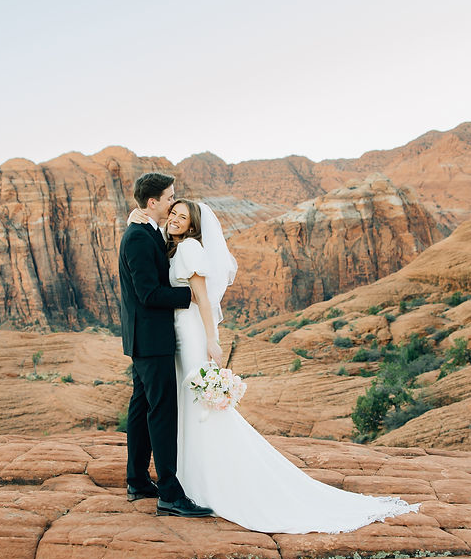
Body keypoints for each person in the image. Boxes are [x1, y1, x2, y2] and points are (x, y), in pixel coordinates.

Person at [127, 199, 420, 533]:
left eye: (183, 216)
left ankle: (206, 480)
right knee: (184, 402)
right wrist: (136, 217)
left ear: (193, 226)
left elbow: (204, 300)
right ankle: (185, 479)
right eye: (173, 213)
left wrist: (212, 339)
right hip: (175, 334)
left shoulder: (190, 249)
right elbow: (153, 240)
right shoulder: (172, 245)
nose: (176, 219)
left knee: (196, 401)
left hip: (192, 333)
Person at [117, 172, 212, 518]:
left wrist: (135, 217)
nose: (174, 201)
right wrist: (192, 295)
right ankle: (169, 493)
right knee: (161, 412)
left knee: (141, 410)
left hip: (144, 337)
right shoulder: (139, 238)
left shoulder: (146, 232)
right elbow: (148, 293)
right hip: (152, 339)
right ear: (153, 202)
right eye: (169, 197)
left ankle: (137, 480)